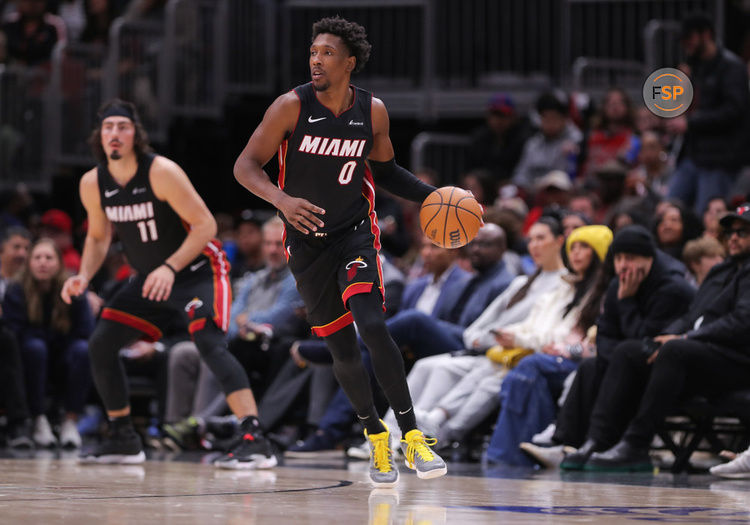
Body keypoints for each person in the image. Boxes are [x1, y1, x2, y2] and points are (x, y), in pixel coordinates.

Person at [233, 16, 447, 486]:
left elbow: (387, 173)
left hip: (354, 232)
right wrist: (282, 201)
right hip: (306, 244)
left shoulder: (373, 112)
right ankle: (374, 437)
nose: (316, 60)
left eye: (326, 53)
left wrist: (434, 196)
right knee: (341, 347)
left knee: (372, 324)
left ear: (349, 63)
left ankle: (411, 434)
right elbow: (245, 166)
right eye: (313, 52)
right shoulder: (291, 106)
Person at [61, 98, 274, 468]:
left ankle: (255, 439)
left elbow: (206, 225)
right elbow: (98, 237)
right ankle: (124, 437)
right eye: (108, 127)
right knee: (101, 344)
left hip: (198, 272)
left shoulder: (161, 171)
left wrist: (170, 267)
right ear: (100, 135)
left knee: (209, 345)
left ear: (135, 135)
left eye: (123, 127)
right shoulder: (93, 183)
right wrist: (83, 275)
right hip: (152, 280)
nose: (115, 133)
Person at [586, 204, 750, 471]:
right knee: (631, 351)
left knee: (674, 351)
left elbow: (742, 323)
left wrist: (685, 337)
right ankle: (598, 440)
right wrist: (665, 336)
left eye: (743, 232)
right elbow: (693, 312)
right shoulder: (722, 270)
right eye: (731, 232)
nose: (733, 237)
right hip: (703, 351)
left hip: (737, 359)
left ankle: (637, 444)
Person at [485, 225, 613, 466]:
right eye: (572, 247)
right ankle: (526, 452)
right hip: (556, 356)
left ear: (599, 252)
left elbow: (597, 341)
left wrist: (565, 348)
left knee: (528, 368)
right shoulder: (570, 286)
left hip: (583, 363)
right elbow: (556, 331)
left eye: (584, 247)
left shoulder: (606, 291)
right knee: (529, 378)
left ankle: (506, 455)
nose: (575, 253)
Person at [4, 238, 94, 448]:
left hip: (64, 354)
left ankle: (70, 421)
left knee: (83, 350)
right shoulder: (16, 289)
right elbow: (15, 332)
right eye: (37, 258)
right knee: (35, 348)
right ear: (29, 263)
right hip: (30, 356)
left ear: (59, 263)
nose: (43, 262)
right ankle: (38, 419)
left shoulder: (74, 288)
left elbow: (85, 331)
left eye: (48, 258)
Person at [667, 13, 750, 213]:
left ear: (706, 35)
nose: (686, 44)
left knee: (707, 215)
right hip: (692, 154)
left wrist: (691, 123)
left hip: (719, 159)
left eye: (690, 38)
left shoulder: (732, 67)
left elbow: (734, 111)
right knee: (668, 208)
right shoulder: (694, 68)